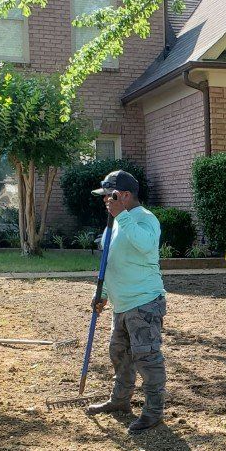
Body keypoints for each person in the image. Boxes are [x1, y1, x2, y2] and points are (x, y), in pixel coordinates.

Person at [86, 170, 166, 433]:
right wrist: (104, 294)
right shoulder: (115, 222)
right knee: (120, 355)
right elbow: (110, 262)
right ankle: (120, 401)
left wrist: (121, 215)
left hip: (144, 303)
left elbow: (145, 245)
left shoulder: (145, 219)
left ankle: (153, 413)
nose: (105, 201)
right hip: (121, 305)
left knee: (147, 359)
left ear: (125, 195)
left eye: (110, 196)